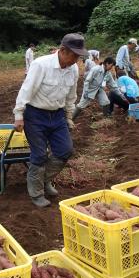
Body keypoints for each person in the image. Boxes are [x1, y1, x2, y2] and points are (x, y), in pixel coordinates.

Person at [13, 33, 86, 207]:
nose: (76, 60)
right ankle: (36, 193)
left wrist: (69, 115)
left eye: (78, 56)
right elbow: (26, 90)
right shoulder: (41, 64)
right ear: (62, 50)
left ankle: (44, 180)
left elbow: (71, 95)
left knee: (65, 150)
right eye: (74, 55)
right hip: (35, 115)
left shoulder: (73, 69)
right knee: (39, 155)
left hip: (57, 115)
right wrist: (19, 115)